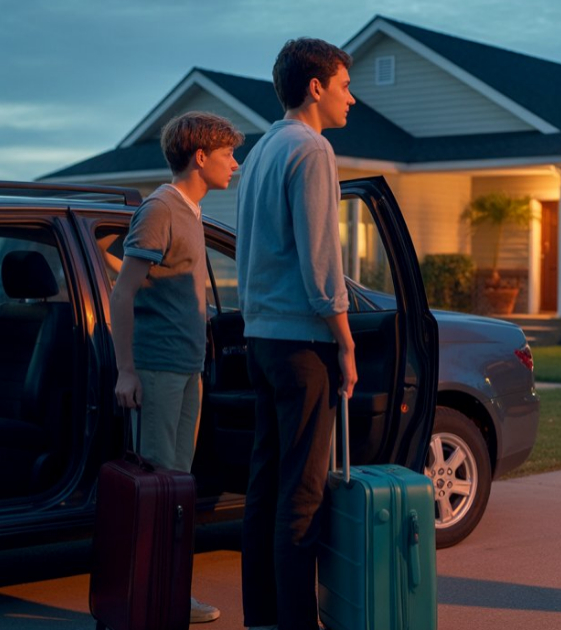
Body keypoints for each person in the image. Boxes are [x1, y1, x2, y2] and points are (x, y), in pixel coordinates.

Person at [235, 37, 358, 630]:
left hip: (260, 338)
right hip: (302, 344)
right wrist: (346, 339)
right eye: (344, 86)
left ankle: (262, 616)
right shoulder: (312, 149)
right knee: (303, 493)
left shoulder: (261, 149)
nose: (351, 99)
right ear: (316, 87)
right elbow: (320, 257)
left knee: (265, 485)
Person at [109, 111, 243, 624]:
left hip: (189, 367)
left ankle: (168, 594)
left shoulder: (190, 211)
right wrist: (126, 370)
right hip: (159, 367)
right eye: (228, 154)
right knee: (161, 489)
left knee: (178, 486)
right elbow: (123, 293)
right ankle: (158, 599)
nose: (235, 163)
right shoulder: (161, 208)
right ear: (200, 157)